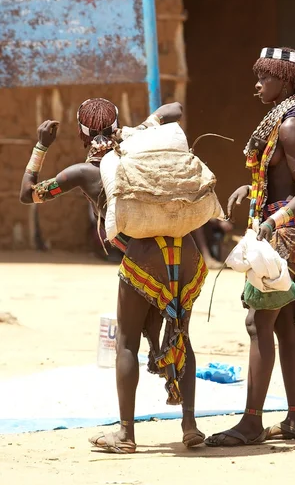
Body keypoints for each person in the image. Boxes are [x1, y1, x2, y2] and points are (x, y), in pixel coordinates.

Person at [19, 98, 207, 453]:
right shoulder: (138, 150)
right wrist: (142, 125)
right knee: (181, 334)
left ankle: (125, 433)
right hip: (186, 254)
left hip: (143, 260)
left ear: (80, 134)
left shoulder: (84, 173)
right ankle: (190, 425)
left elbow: (27, 195)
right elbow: (175, 108)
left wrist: (41, 145)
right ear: (117, 126)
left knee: (126, 343)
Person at [205, 47, 295, 447]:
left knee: (260, 324)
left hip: (287, 236)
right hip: (285, 231)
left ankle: (252, 423)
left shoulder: (292, 126)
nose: (257, 84)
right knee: (285, 327)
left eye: (265, 77)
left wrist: (273, 221)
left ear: (286, 80)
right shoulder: (284, 120)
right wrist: (250, 188)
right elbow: (282, 182)